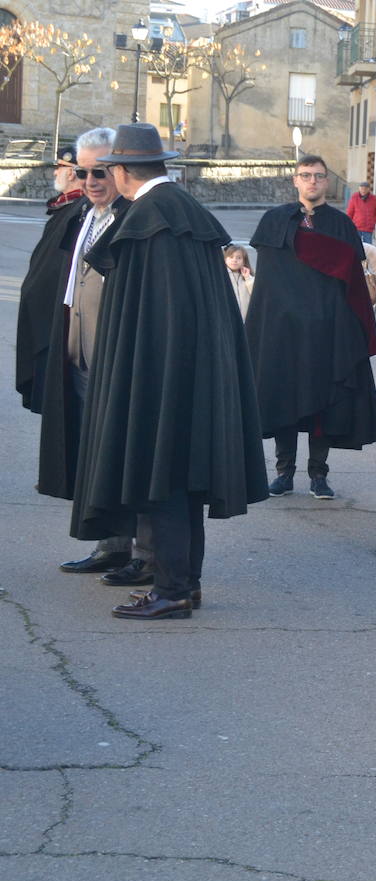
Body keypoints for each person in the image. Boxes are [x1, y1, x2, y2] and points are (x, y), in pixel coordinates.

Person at [70, 122, 267, 620]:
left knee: (165, 480)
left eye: (107, 168)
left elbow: (151, 316)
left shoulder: (151, 216)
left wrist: (137, 382)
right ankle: (183, 584)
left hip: (161, 376)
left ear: (119, 170)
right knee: (181, 481)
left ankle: (173, 590)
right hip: (190, 370)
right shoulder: (179, 210)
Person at [34, 129, 159, 584]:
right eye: (82, 171)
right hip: (82, 358)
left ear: (120, 170)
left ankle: (147, 555)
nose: (90, 180)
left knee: (134, 457)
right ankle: (112, 544)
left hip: (121, 362)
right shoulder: (85, 215)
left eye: (100, 171)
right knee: (97, 456)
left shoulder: (135, 218)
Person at [244, 155, 376, 500]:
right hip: (283, 331)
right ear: (295, 181)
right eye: (305, 176)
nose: (312, 182)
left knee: (324, 402)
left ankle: (318, 474)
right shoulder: (275, 221)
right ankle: (283, 472)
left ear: (326, 182)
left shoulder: (341, 225)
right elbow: (268, 283)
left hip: (327, 331)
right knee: (284, 400)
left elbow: (351, 285)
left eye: (318, 176)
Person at [16, 145, 83, 415]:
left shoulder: (77, 210)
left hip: (56, 319)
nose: (56, 172)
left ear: (74, 172)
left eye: (61, 167)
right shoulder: (64, 207)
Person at [224, 244, 254, 320]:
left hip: (246, 320)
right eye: (231, 257)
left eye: (239, 258)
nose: (234, 260)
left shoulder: (248, 277)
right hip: (228, 320)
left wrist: (248, 278)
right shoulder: (221, 276)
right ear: (225, 259)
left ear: (244, 261)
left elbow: (256, 294)